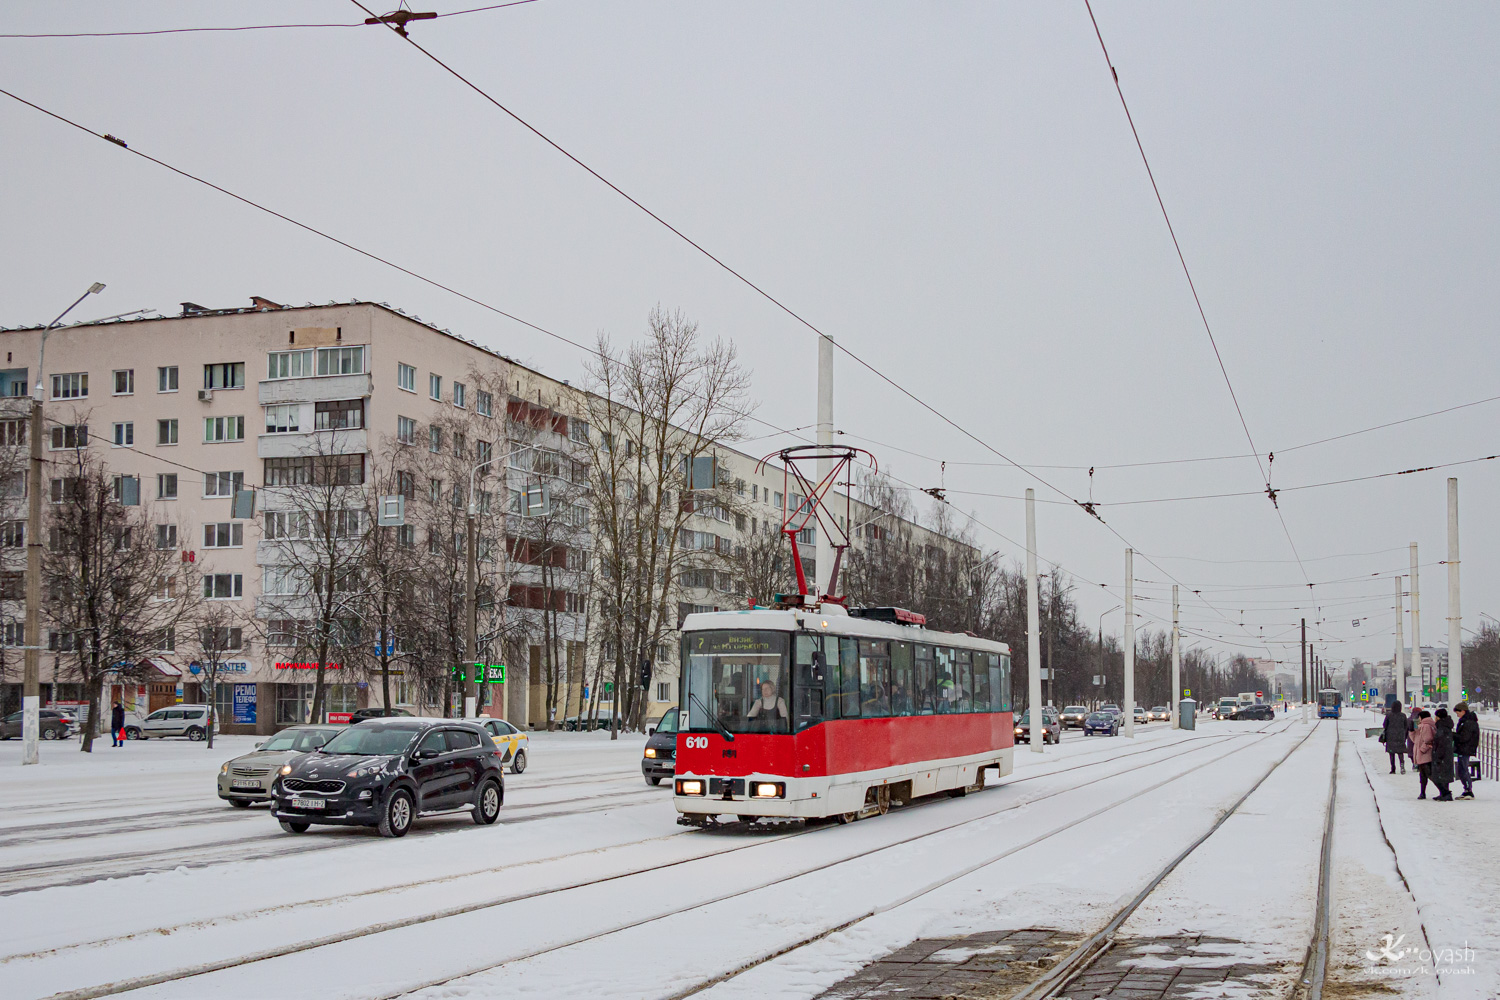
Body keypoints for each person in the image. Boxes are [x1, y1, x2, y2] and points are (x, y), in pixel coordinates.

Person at [1453, 701, 1478, 799]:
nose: (1457, 715)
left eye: (1458, 712)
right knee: (1462, 769)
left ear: (1463, 711)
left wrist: (1453, 735)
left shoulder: (1468, 722)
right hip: (1464, 748)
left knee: (1463, 769)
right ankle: (1467, 789)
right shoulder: (1467, 721)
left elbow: (1464, 737)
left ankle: (1468, 790)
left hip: (1465, 748)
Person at [1430, 708, 1456, 801]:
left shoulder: (1442, 728)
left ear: (1438, 717)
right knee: (1444, 775)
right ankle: (1444, 793)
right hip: (1447, 754)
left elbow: (1441, 743)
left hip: (1442, 755)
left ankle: (1446, 793)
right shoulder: (1446, 727)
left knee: (1437, 775)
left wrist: (1437, 755)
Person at [1412, 709, 1435, 799]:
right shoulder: (1422, 726)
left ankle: (1444, 791)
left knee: (1428, 774)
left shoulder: (1426, 726)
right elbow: (1415, 740)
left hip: (1425, 754)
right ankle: (1422, 792)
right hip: (1423, 755)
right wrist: (1411, 731)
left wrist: (1422, 750)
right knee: (1423, 775)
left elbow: (1428, 740)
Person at [1381, 701, 1408, 774]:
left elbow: (1384, 725)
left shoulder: (1389, 715)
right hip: (1400, 736)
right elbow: (1406, 726)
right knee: (1400, 752)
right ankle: (1402, 765)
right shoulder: (1403, 715)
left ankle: (1393, 768)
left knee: (1391, 753)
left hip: (1390, 737)